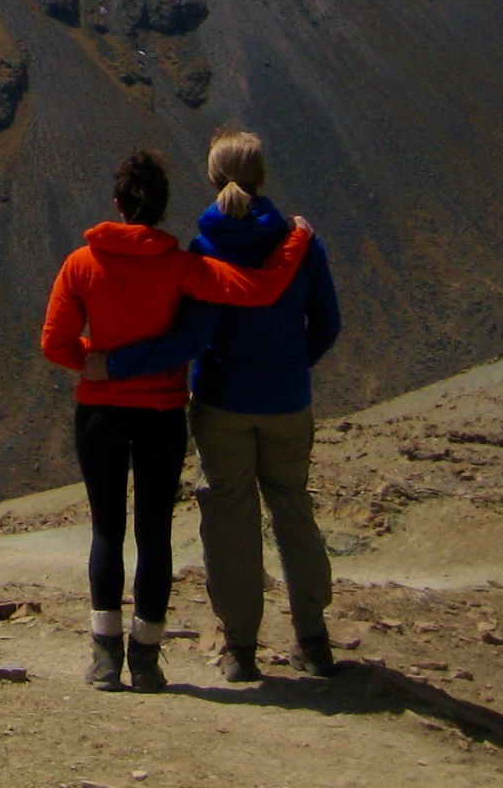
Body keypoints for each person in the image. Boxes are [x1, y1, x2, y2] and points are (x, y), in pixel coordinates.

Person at [40, 149, 316, 692]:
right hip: (161, 414)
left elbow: (55, 343)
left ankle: (105, 657)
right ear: (163, 206)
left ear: (118, 204)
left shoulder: (81, 264)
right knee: (154, 533)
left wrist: (97, 360)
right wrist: (297, 238)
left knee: (106, 529)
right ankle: (145, 659)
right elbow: (261, 289)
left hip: (99, 411)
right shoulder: (182, 267)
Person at [101, 128, 341, 683]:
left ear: (212, 179)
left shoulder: (206, 249)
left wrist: (111, 364)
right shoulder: (302, 244)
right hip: (287, 401)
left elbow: (193, 337)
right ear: (263, 177)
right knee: (293, 510)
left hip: (223, 402)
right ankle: (313, 640)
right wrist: (291, 365)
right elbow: (327, 324)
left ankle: (240, 648)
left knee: (230, 519)